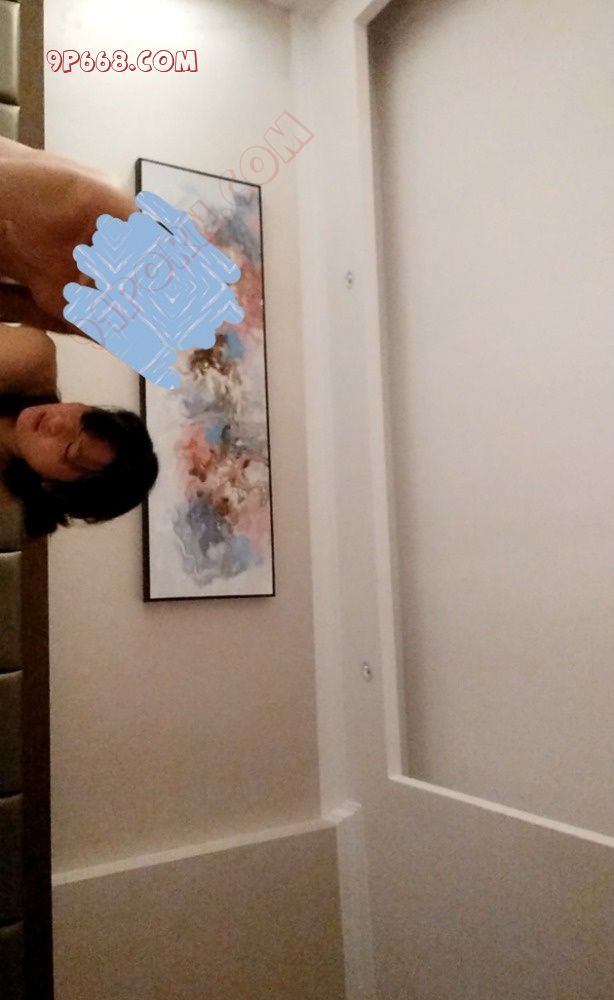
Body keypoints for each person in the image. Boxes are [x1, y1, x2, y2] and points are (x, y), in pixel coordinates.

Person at [0, 141, 159, 536]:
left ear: (56, 488)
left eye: (71, 452)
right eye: (83, 419)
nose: (57, 425)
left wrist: (42, 306)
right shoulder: (30, 360)